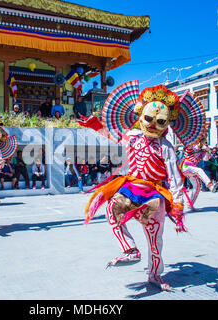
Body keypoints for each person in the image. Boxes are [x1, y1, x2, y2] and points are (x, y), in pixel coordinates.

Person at [77, 84, 192, 291]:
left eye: (160, 121)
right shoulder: (132, 137)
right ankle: (130, 249)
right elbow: (113, 135)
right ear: (141, 116)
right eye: (149, 119)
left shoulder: (166, 147)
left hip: (154, 195)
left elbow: (174, 178)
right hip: (130, 189)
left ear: (167, 123)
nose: (153, 125)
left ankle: (155, 275)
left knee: (156, 239)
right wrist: (95, 125)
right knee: (111, 209)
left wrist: (178, 206)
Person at [180, 137, 218, 210]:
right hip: (186, 166)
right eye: (202, 142)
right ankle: (210, 185)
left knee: (197, 187)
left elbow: (206, 159)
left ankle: (190, 205)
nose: (203, 144)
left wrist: (207, 151)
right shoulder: (191, 147)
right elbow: (191, 147)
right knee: (199, 170)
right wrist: (199, 146)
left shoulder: (202, 152)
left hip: (192, 170)